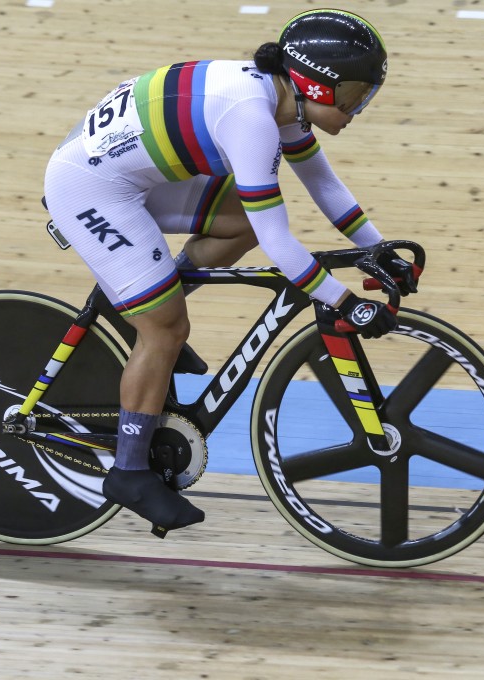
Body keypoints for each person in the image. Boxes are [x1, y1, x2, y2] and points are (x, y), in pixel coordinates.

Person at [43, 9, 411, 535]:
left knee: (237, 222)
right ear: (313, 82)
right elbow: (281, 244)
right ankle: (128, 471)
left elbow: (323, 185)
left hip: (127, 170)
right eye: (353, 95)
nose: (358, 108)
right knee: (167, 327)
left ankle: (147, 302)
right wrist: (345, 301)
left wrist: (380, 249)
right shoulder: (252, 119)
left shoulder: (282, 102)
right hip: (91, 188)